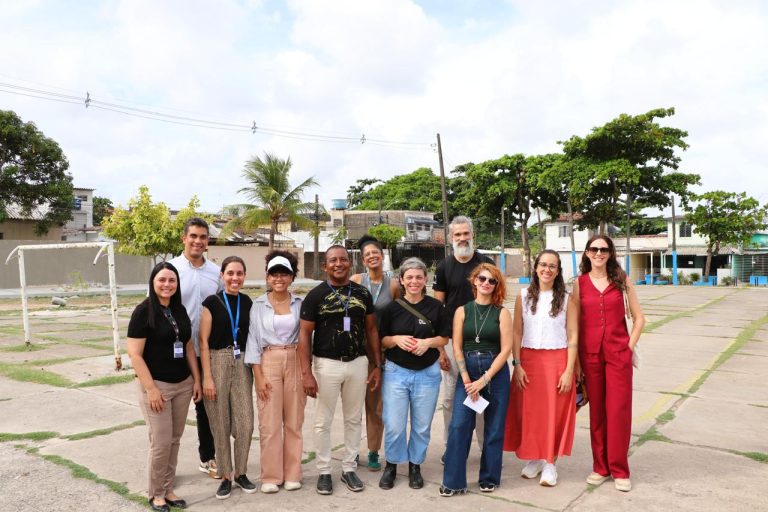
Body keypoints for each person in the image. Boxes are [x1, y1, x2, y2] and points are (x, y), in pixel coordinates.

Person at [298, 245, 383, 495]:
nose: (338, 264)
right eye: (333, 260)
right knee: (323, 421)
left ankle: (348, 468)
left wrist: (377, 365)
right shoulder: (315, 295)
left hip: (357, 363)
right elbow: (304, 334)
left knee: (353, 419)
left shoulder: (362, 293)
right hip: (327, 364)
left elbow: (371, 330)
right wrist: (306, 373)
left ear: (350, 263)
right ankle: (324, 471)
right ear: (325, 266)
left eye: (343, 260)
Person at [127, 262, 202, 512]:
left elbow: (188, 346)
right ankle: (156, 493)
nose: (167, 284)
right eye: (162, 280)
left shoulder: (179, 309)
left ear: (177, 284)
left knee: (174, 440)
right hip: (157, 386)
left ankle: (169, 489)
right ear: (153, 282)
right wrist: (151, 389)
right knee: (160, 442)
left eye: (171, 280)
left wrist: (196, 380)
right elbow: (135, 355)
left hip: (183, 384)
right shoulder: (143, 312)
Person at [572, 235, 645, 492]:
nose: (599, 253)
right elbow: (575, 325)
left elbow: (639, 318)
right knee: (598, 413)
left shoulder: (621, 280)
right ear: (587, 253)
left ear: (611, 253)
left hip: (618, 356)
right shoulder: (579, 283)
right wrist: (576, 362)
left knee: (618, 412)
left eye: (604, 249)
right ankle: (600, 467)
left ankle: (620, 469)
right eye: (594, 249)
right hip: (590, 356)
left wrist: (628, 347)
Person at [504, 250, 578, 487]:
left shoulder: (567, 299)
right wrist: (517, 364)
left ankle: (550, 463)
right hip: (529, 361)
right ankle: (536, 458)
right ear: (535, 268)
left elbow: (573, 336)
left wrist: (569, 370)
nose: (547, 269)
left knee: (554, 414)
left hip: (557, 361)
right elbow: (517, 332)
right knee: (532, 413)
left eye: (552, 266)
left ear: (558, 271)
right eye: (543, 265)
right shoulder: (523, 296)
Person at [440, 263, 512, 496]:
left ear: (496, 285)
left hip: (496, 373)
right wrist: (466, 378)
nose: (486, 283)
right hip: (468, 372)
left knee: (494, 428)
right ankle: (453, 481)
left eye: (492, 280)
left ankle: (489, 478)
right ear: (474, 280)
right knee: (459, 425)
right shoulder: (462, 311)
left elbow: (506, 349)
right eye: (482, 278)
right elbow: (457, 347)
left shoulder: (502, 313)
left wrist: (485, 379)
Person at [377, 257, 449, 490]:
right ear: (401, 280)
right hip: (396, 373)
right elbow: (382, 340)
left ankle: (415, 465)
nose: (414, 281)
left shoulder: (435, 307)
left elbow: (444, 338)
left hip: (427, 373)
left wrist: (427, 343)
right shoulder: (391, 309)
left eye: (419, 277)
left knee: (421, 425)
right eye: (409, 277)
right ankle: (391, 464)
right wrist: (396, 339)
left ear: (425, 279)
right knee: (394, 424)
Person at [433, 216, 494, 459]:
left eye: (465, 234)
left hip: (483, 342)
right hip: (452, 342)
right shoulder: (443, 267)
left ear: (472, 235)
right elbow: (437, 310)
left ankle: (486, 450)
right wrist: (440, 350)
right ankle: (451, 448)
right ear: (451, 238)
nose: (462, 238)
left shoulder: (486, 264)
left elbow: (496, 301)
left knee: (482, 397)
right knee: (450, 398)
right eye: (457, 234)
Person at [245, 251, 306, 493]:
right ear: (267, 277)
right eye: (274, 274)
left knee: (294, 421)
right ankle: (271, 476)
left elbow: (307, 337)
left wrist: (307, 370)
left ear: (291, 277)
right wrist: (258, 376)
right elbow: (252, 340)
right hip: (268, 359)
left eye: (284, 274)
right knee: (269, 423)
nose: (279, 278)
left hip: (294, 359)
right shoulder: (259, 305)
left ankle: (293, 473)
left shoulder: (300, 303)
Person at [168, 217, 221, 479]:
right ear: (184, 238)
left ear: (207, 241)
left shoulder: (216, 272)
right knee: (171, 410)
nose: (198, 241)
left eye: (203, 237)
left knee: (206, 407)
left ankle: (208, 457)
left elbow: (222, 307)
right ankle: (165, 468)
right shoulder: (171, 270)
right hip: (176, 350)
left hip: (206, 351)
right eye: (193, 236)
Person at [199, 256, 255, 499]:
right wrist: (207, 378)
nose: (235, 278)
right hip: (217, 361)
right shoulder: (212, 302)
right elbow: (202, 342)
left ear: (244, 276)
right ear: (222, 275)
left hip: (242, 362)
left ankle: (241, 472)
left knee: (245, 423)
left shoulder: (247, 301)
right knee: (219, 423)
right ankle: (225, 475)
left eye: (239, 273)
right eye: (230, 273)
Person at [351, 235, 400, 472]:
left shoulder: (393, 285)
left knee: (375, 406)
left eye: (375, 253)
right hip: (355, 351)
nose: (372, 257)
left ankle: (372, 451)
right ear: (363, 260)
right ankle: (351, 451)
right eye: (367, 254)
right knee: (352, 407)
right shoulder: (355, 281)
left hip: (380, 353)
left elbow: (399, 316)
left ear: (382, 256)